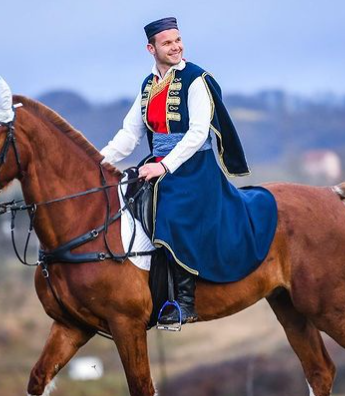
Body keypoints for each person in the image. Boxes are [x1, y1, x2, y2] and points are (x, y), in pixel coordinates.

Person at [100, 17, 277, 326]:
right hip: (159, 165)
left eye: (178, 40)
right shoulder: (148, 86)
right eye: (167, 43)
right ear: (151, 48)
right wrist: (97, 161)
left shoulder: (196, 79)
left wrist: (164, 165)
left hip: (195, 167)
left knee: (171, 210)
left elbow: (197, 134)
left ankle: (184, 301)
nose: (176, 46)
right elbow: (130, 134)